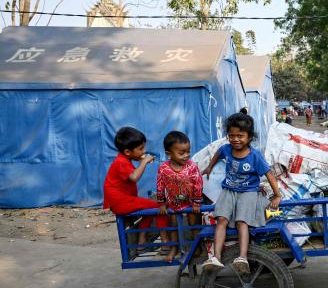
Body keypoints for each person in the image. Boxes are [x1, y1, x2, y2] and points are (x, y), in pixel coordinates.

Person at [201, 113, 282, 274]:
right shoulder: (226, 149)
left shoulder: (255, 156)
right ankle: (216, 257)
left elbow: (269, 175)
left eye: (240, 136)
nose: (235, 139)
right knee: (221, 219)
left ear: (250, 137)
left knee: (241, 222)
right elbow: (218, 153)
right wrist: (210, 167)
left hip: (248, 192)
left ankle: (242, 257)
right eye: (231, 136)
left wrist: (277, 195)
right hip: (229, 190)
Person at [103, 127, 169, 253]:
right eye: (140, 149)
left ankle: (141, 243)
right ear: (127, 151)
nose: (144, 151)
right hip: (120, 202)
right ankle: (166, 243)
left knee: (149, 210)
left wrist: (141, 159)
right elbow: (133, 177)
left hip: (125, 200)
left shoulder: (125, 159)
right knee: (159, 207)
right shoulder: (121, 162)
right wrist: (144, 161)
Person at [156, 131, 203, 262]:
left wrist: (196, 202)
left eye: (188, 151)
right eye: (181, 153)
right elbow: (160, 186)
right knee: (173, 226)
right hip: (173, 203)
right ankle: (174, 248)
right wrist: (162, 203)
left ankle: (197, 247)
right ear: (168, 154)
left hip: (190, 202)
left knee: (194, 224)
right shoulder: (163, 168)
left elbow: (198, 184)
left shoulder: (192, 166)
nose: (186, 156)